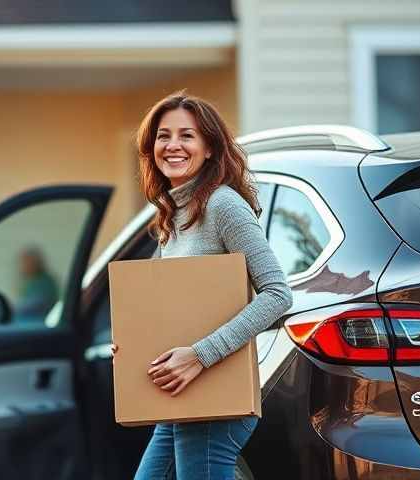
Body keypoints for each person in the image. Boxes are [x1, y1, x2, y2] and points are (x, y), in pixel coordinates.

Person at [112, 91, 293, 479]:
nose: (172, 145)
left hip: (215, 397)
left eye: (187, 136)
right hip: (183, 395)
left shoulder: (223, 206)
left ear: (209, 148)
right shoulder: (172, 216)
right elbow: (165, 308)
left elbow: (278, 295)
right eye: (163, 135)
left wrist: (200, 355)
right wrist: (131, 346)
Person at [14, 246, 59, 323]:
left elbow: (38, 303)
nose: (24, 265)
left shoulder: (45, 281)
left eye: (27, 262)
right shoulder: (29, 280)